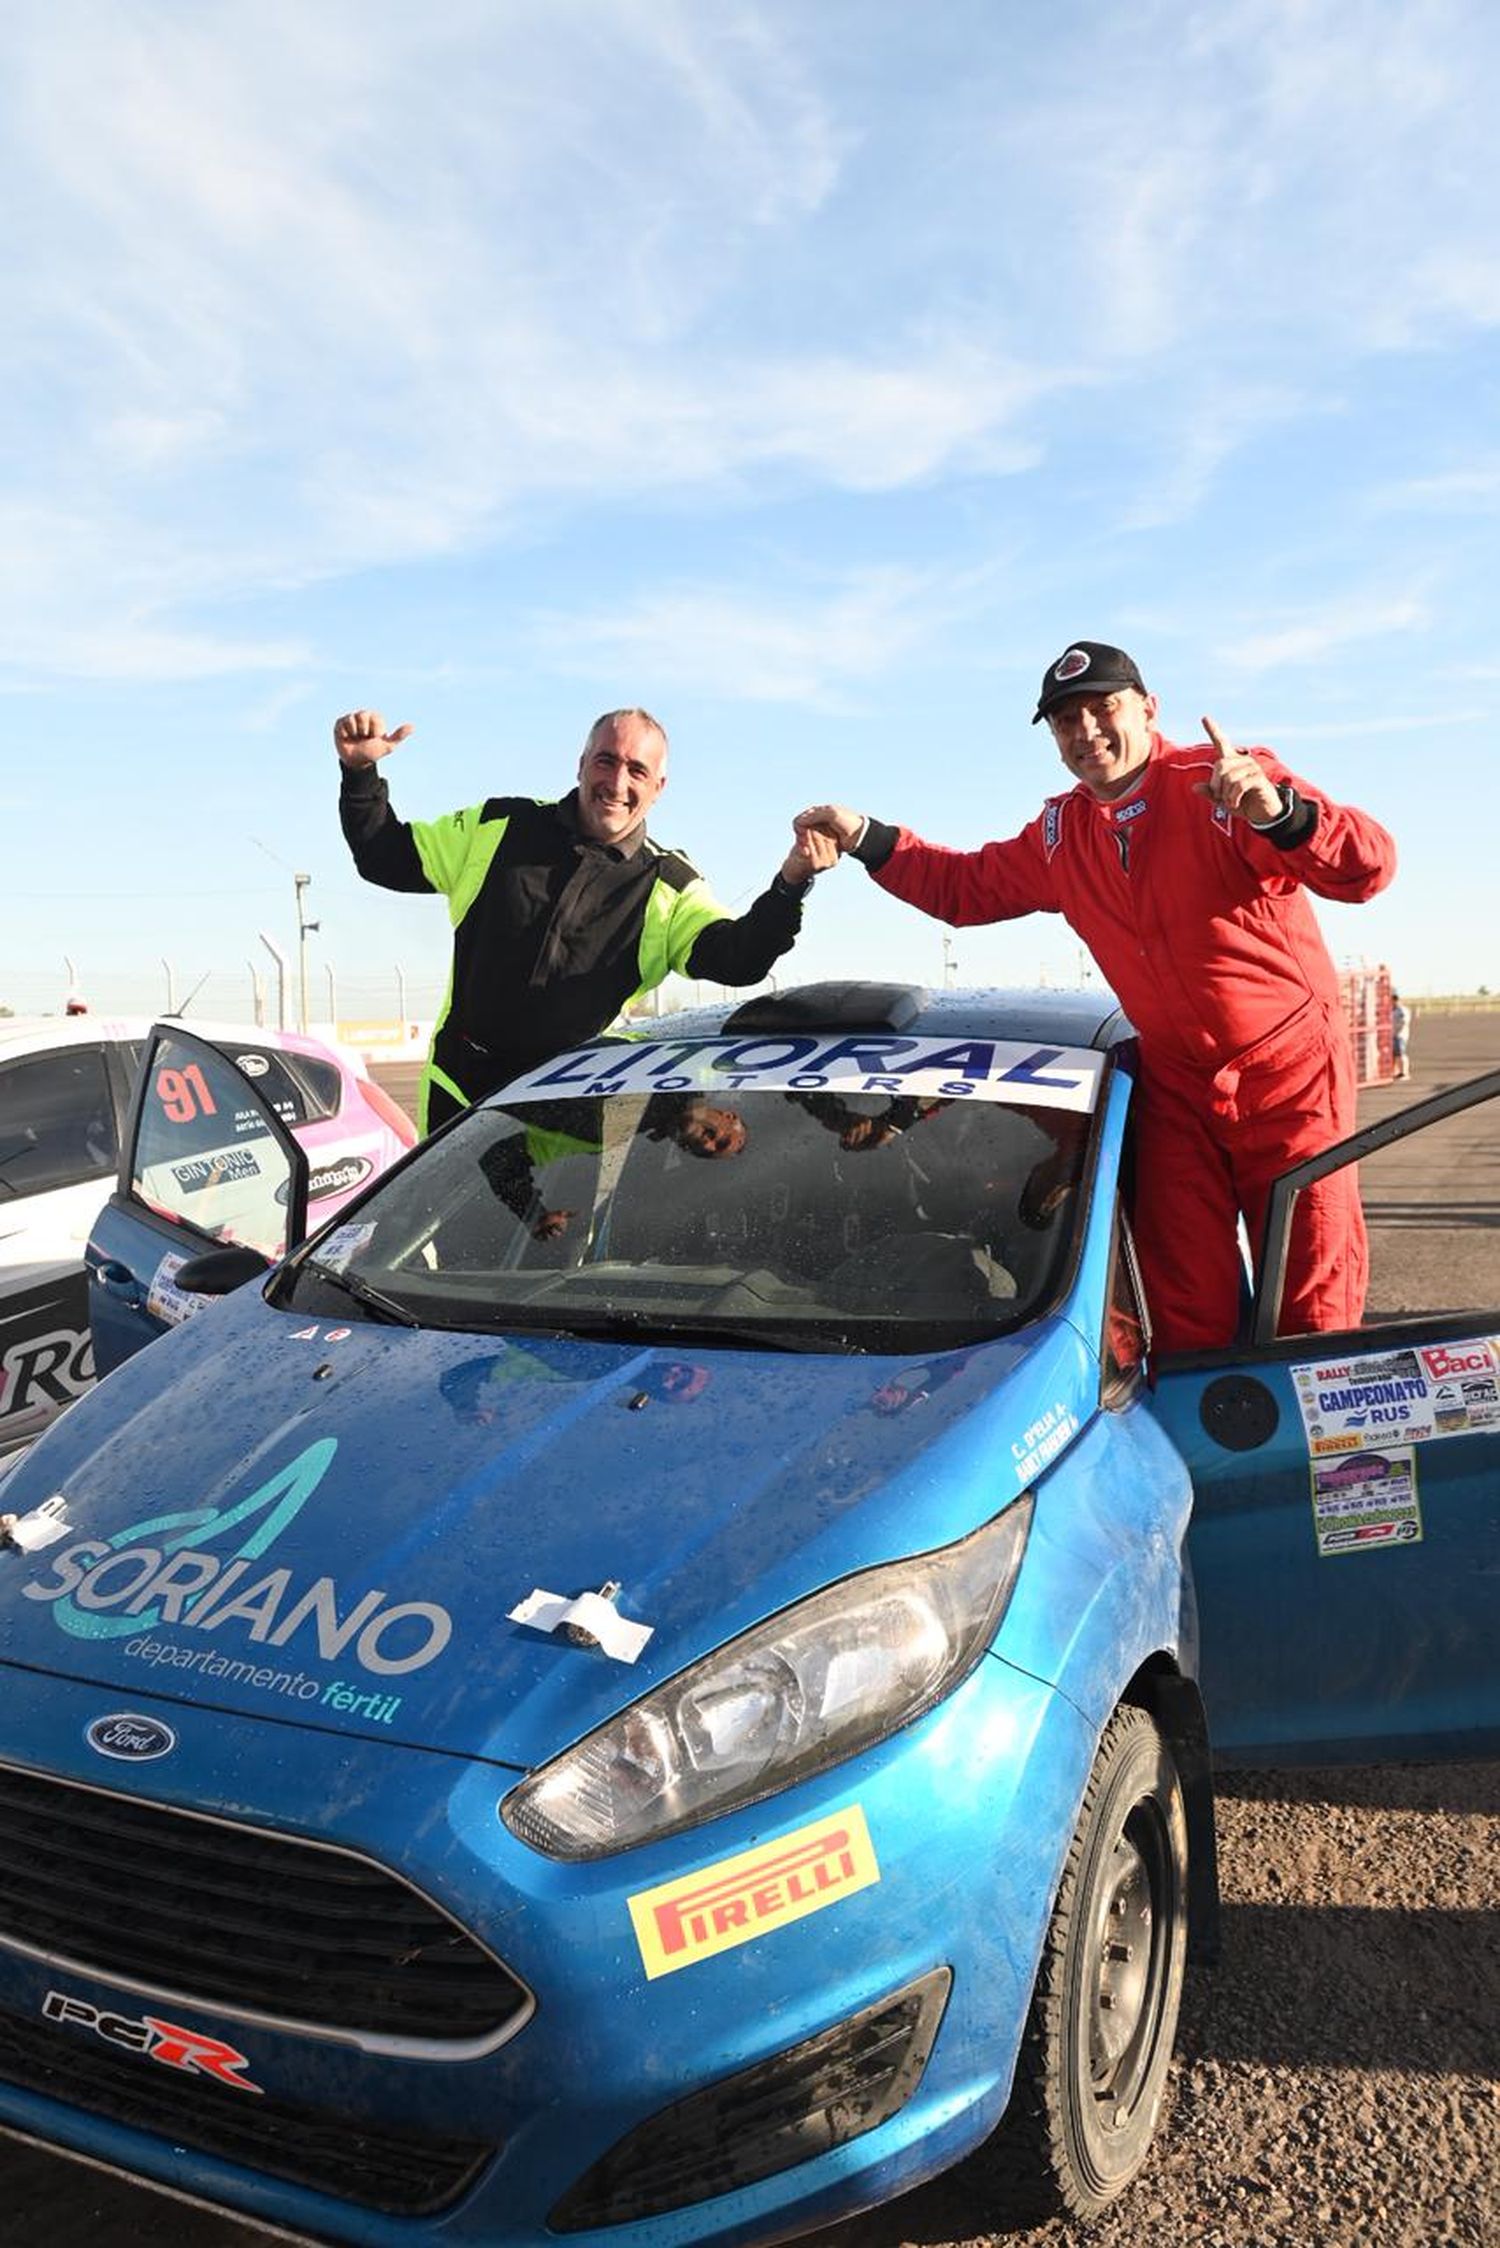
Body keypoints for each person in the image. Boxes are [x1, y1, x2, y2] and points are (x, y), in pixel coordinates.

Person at [796, 640, 1397, 1353]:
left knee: (1312, 1305)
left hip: (1289, 1078)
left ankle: (1313, 1457)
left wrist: (1280, 815)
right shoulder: (1061, 834)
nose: (1086, 731)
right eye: (1065, 720)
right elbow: (963, 887)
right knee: (1184, 1312)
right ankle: (1204, 1454)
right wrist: (865, 837)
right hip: (1178, 1085)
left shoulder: (1229, 781)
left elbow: (1367, 868)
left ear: (1148, 709)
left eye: (1102, 708)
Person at [336, 706, 837, 1131]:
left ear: (659, 787)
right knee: (452, 1250)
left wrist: (790, 883)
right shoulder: (499, 826)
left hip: (574, 1120)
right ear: (580, 765)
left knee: (564, 1248)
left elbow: (738, 960)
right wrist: (360, 776)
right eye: (606, 761)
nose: (617, 783)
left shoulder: (670, 883)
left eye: (637, 771)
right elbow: (386, 856)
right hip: (460, 1101)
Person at [1391, 991, 1412, 1080]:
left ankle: (1405, 1073)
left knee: (1401, 1054)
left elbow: (1404, 1022)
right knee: (1395, 1055)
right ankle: (1396, 1071)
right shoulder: (1393, 1010)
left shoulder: (1402, 1010)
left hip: (1400, 1035)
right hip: (1393, 1035)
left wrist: (1397, 1031)